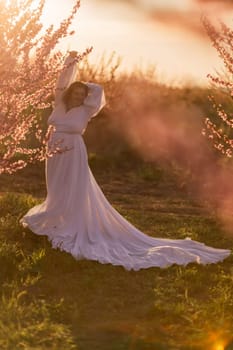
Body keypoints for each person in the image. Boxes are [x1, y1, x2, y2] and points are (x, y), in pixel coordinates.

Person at [20, 51, 231, 271]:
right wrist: (70, 63)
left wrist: (84, 84)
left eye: (82, 94)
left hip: (73, 150)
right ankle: (56, 215)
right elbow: (61, 83)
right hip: (53, 150)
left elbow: (98, 92)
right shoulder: (59, 104)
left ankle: (70, 221)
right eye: (75, 92)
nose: (78, 96)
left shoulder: (87, 110)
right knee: (56, 186)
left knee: (73, 187)